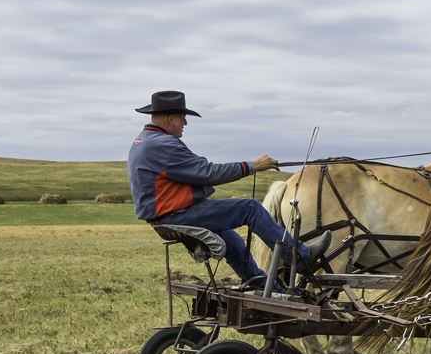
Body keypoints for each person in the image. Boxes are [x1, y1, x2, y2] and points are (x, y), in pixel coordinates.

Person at [128, 91, 323, 290]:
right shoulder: (163, 144)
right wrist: (252, 165)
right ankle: (301, 258)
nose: (185, 123)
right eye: (182, 117)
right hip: (176, 215)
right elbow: (207, 172)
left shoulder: (143, 141)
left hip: (166, 215)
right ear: (170, 119)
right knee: (249, 207)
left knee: (233, 243)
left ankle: (275, 294)